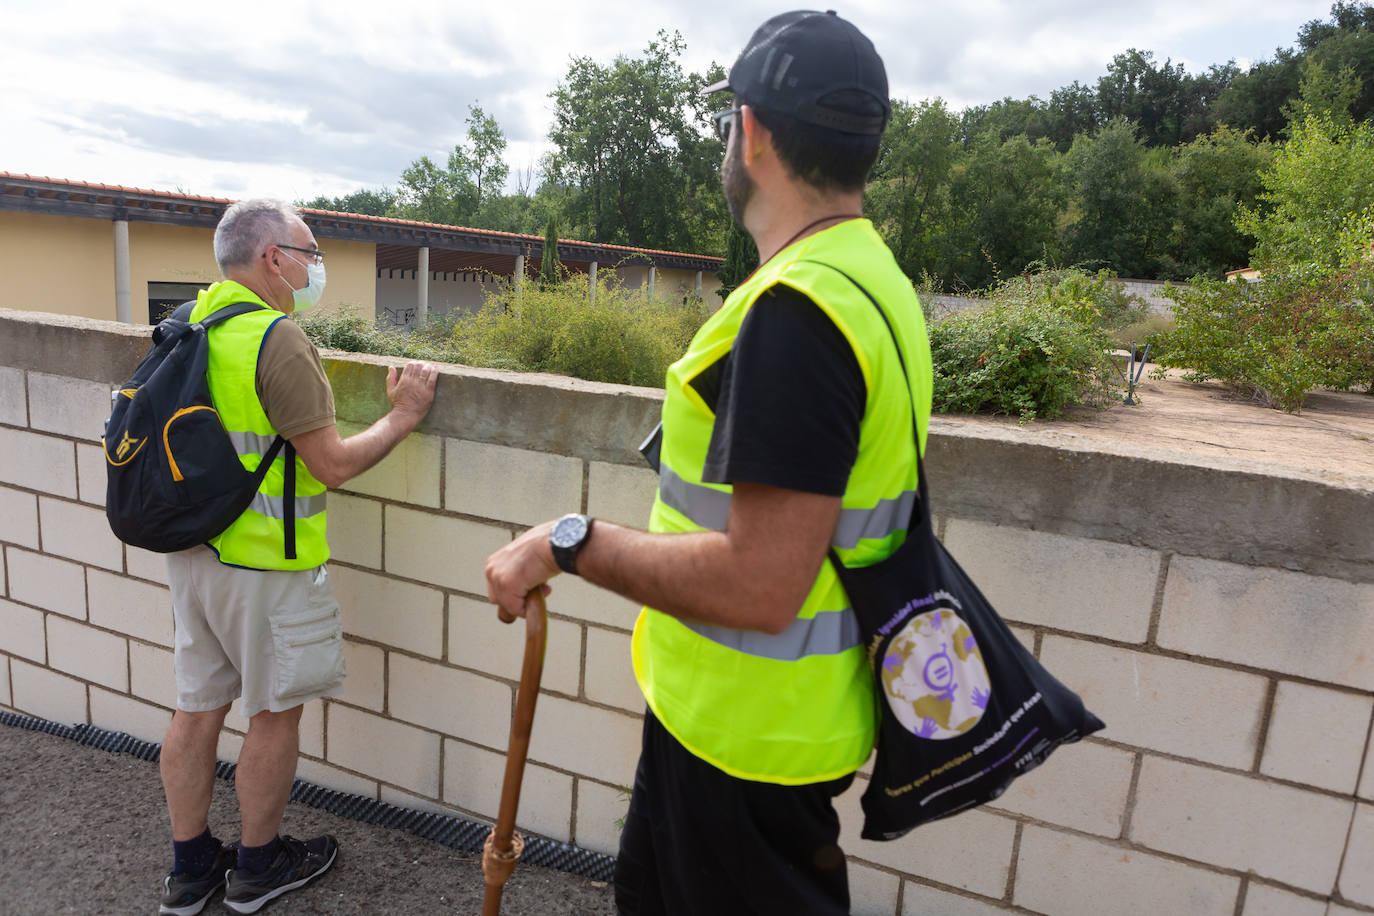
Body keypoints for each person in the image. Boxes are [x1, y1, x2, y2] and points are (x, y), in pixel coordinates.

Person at [485, 10, 932, 914]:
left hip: (745, 748)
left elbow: (761, 585)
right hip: (746, 733)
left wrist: (564, 543)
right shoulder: (871, 280)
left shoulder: (799, 311)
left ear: (753, 131)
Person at [157, 199, 438, 915]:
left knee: (196, 711)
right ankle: (257, 868)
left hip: (193, 555)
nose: (317, 265)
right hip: (268, 569)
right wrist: (403, 416)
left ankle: (190, 872)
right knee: (275, 713)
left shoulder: (188, 323)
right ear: (270, 258)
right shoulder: (276, 340)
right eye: (309, 251)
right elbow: (332, 464)